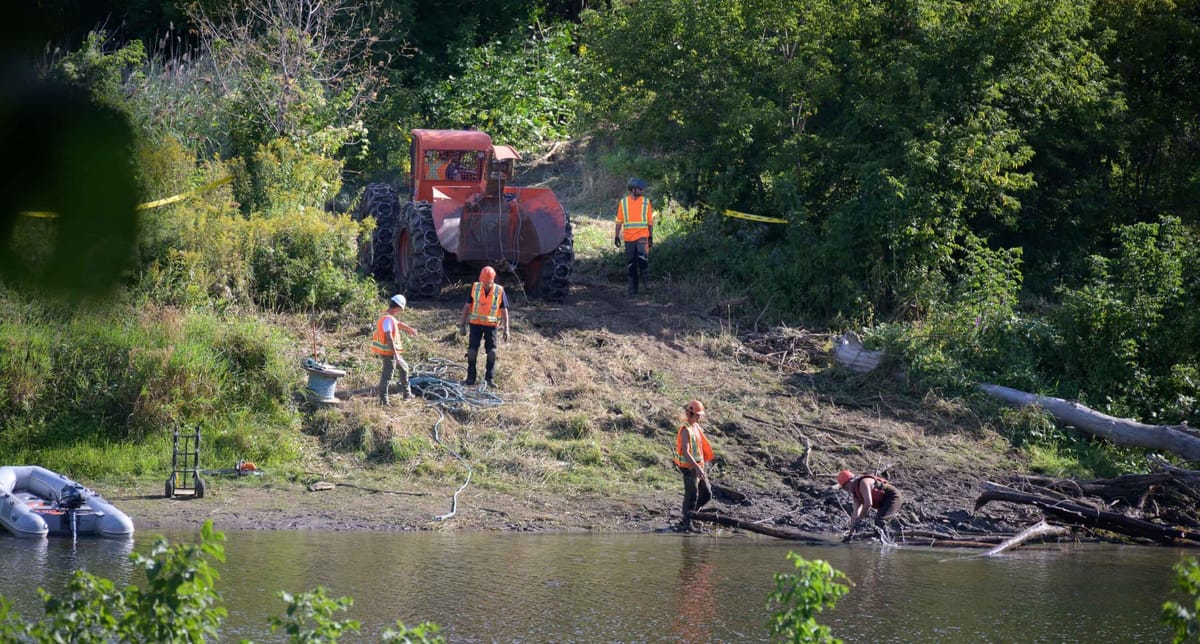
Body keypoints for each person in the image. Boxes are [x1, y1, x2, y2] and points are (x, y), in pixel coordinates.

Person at [459, 266, 510, 388]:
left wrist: (506, 329)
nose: (485, 285)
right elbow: (467, 306)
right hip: (475, 324)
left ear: (492, 280)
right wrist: (462, 325)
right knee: (472, 351)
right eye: (483, 282)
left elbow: (504, 310)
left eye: (487, 283)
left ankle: (489, 379)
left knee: (492, 352)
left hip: (491, 326)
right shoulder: (475, 288)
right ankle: (470, 379)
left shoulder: (499, 291)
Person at [371, 294, 418, 405]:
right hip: (389, 353)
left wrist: (409, 329)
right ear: (397, 307)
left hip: (391, 352)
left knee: (404, 368)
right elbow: (389, 338)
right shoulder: (388, 319)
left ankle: (407, 394)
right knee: (387, 376)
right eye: (400, 309)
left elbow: (398, 324)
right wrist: (396, 355)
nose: (400, 311)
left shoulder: (388, 316)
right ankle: (384, 401)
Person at [674, 399, 714, 532]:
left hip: (698, 467)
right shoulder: (685, 429)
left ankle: (693, 515)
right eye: (698, 415)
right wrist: (697, 468)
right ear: (692, 414)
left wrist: (700, 467)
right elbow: (685, 452)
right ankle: (686, 522)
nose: (700, 417)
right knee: (691, 495)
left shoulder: (695, 427)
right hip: (689, 468)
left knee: (707, 493)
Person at [833, 469, 902, 542]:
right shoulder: (855, 494)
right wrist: (850, 535)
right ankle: (884, 542)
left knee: (880, 521)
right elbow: (855, 514)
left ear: (848, 482)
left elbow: (868, 503)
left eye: (844, 487)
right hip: (883, 502)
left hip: (893, 497)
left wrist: (860, 519)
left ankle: (888, 544)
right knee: (878, 525)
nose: (845, 490)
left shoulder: (864, 482)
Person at [614, 177, 654, 296]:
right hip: (629, 238)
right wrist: (616, 236)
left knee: (643, 260)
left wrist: (650, 237)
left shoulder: (646, 202)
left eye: (641, 189)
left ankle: (647, 287)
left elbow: (650, 222)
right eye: (639, 188)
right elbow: (619, 221)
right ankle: (633, 290)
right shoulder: (623, 202)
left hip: (642, 236)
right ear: (633, 189)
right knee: (631, 264)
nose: (641, 190)